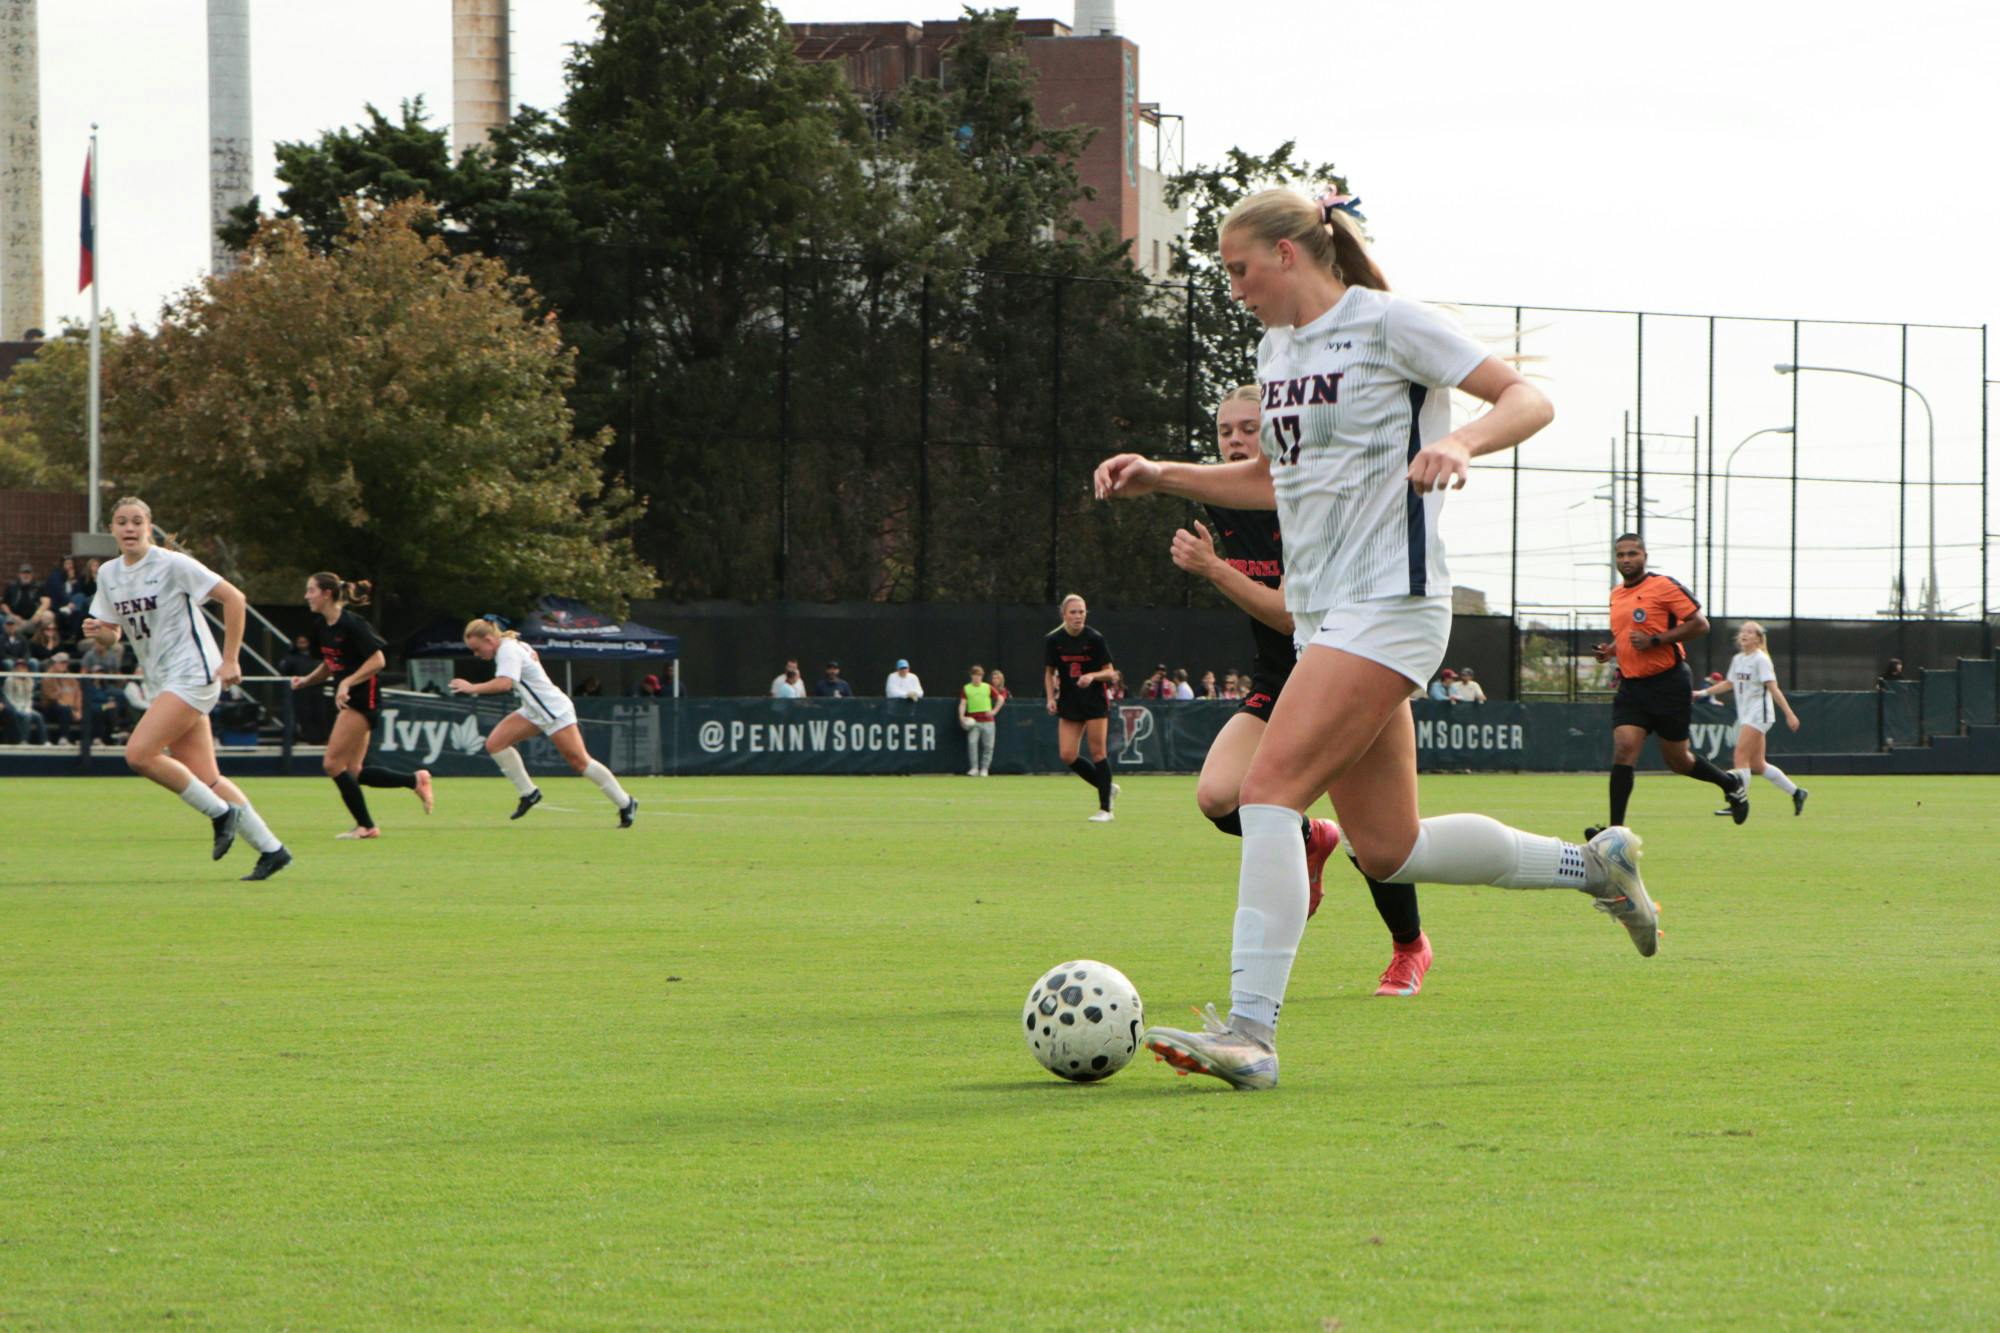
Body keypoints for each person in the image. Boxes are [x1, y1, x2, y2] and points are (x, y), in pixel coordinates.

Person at [1094, 185, 1650, 1090]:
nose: (1233, 287)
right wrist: (1163, 474)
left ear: (1287, 253)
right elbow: (1277, 483)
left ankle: (1250, 1033)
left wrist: (1464, 444)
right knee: (1389, 848)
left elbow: (1526, 399)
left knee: (1268, 791)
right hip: (1327, 618)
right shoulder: (1278, 350)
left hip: (1391, 603)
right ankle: (1592, 867)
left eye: (1238, 268)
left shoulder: (1390, 324)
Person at [1171, 382, 1425, 993]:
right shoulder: (1226, 507)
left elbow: (1292, 614)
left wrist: (1213, 570)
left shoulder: (1306, 501)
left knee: (1379, 843)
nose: (1234, 440)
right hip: (1281, 679)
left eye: (1248, 429)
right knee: (1217, 796)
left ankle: (1409, 946)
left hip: (1348, 670)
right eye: (1225, 430)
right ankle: (1311, 838)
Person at [80, 496, 291, 880]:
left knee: (139, 754)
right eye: (122, 522)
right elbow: (112, 636)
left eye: (137, 521)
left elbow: (234, 598)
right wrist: (99, 633)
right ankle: (272, 850)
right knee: (207, 778)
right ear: (111, 529)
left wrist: (230, 659)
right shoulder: (109, 574)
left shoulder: (171, 563)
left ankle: (222, 814)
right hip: (163, 680)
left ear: (150, 526)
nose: (129, 528)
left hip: (194, 673)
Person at [1587, 533, 1747, 839]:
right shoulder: (1616, 594)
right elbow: (1626, 637)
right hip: (1632, 687)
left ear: (1645, 556)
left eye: (1632, 553)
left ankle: (1730, 784)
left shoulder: (1663, 586)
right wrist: (1610, 651)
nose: (1626, 560)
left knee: (1678, 760)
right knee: (1624, 749)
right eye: (1620, 555)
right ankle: (1615, 834)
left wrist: (1655, 641)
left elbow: (1701, 624)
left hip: (1668, 683)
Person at [454, 619, 638, 827]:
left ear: (489, 639)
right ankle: (529, 793)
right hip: (534, 710)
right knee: (495, 744)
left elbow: (504, 684)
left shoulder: (508, 650)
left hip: (553, 711)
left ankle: (625, 802)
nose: (477, 654)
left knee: (580, 762)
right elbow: (532, 659)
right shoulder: (513, 645)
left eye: (477, 649)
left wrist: (472, 688)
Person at [290, 573, 432, 839]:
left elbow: (378, 660)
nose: (307, 596)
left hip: (362, 698)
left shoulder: (352, 624)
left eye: (311, 590)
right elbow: (329, 665)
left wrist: (347, 683)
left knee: (332, 764)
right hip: (349, 698)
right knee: (355, 771)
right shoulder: (322, 627)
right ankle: (413, 781)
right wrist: (306, 681)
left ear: (327, 594)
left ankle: (366, 825)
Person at [1695, 621, 1807, 815]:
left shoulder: (1761, 660)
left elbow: (1774, 689)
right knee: (1757, 764)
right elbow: (1728, 684)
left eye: (1750, 632)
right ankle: (1797, 792)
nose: (1744, 635)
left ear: (1758, 638)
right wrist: (1703, 693)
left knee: (1740, 756)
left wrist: (1789, 714)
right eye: (1742, 632)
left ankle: (1740, 802)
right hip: (1747, 714)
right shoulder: (1738, 659)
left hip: (1759, 715)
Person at [1044, 593, 1118, 821]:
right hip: (1069, 701)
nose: (1078, 616)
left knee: (1098, 753)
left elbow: (1110, 672)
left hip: (1094, 700)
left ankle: (1106, 809)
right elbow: (1049, 672)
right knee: (1067, 755)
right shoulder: (1053, 640)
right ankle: (1106, 787)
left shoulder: (1094, 638)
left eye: (1082, 612)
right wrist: (1050, 697)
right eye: (1073, 612)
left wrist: (1092, 676)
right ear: (1064, 615)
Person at [958, 663, 1000, 776]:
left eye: (979, 675)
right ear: (971, 676)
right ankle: (974, 768)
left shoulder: (987, 687)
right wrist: (961, 716)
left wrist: (994, 711)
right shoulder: (966, 688)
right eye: (975, 675)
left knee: (988, 746)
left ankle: (984, 769)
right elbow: (963, 704)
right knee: (972, 743)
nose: (977, 677)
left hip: (988, 721)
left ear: (982, 676)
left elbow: (1000, 699)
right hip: (974, 721)